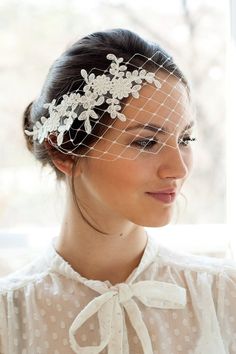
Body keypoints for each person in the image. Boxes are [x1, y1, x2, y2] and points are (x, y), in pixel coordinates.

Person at [0, 28, 235, 354]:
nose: (178, 169)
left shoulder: (223, 296)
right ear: (64, 153)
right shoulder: (10, 316)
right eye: (146, 142)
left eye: (185, 139)